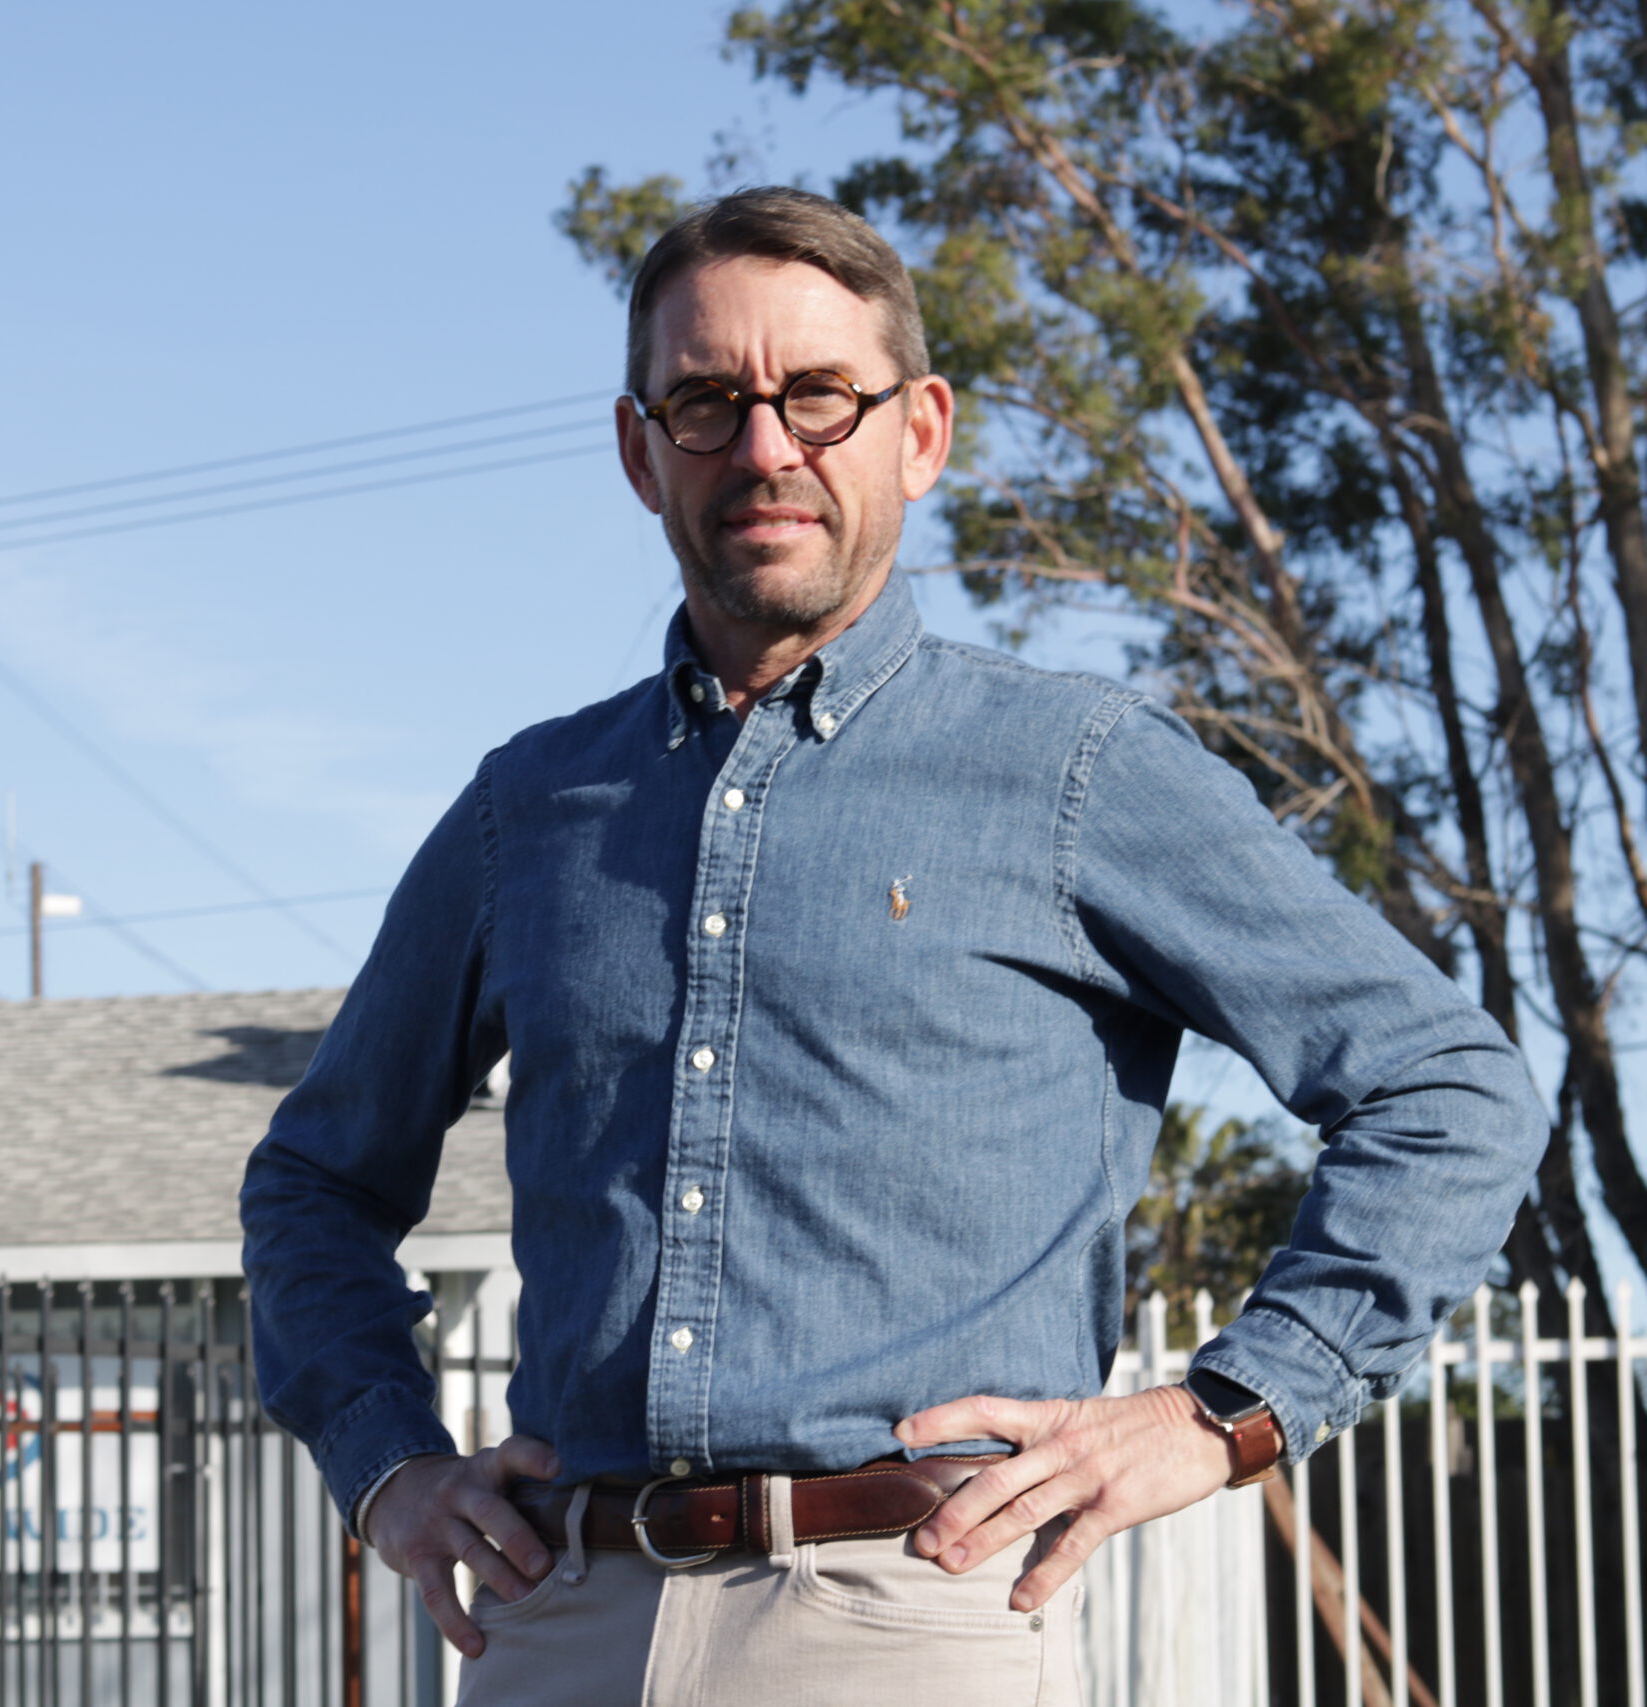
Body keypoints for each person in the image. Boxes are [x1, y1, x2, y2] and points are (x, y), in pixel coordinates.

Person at [238, 188, 1546, 1705]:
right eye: (706, 401)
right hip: (558, 1618)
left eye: (819, 395)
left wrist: (1225, 1410)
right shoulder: (527, 807)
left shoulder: (1076, 770)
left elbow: (1447, 1091)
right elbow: (315, 1181)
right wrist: (388, 1461)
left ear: (919, 432)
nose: (765, 448)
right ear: (640, 451)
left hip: (906, 1613)